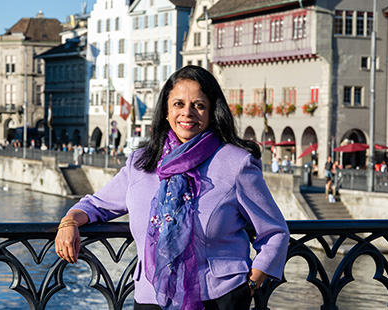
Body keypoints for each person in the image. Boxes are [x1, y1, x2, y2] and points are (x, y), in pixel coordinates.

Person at [54, 66, 290, 310]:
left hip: (217, 298)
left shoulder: (235, 163)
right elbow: (96, 205)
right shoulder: (142, 162)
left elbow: (274, 231)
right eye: (178, 104)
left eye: (198, 105)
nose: (187, 113)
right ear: (166, 111)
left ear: (211, 112)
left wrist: (250, 286)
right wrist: (69, 222)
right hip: (151, 296)